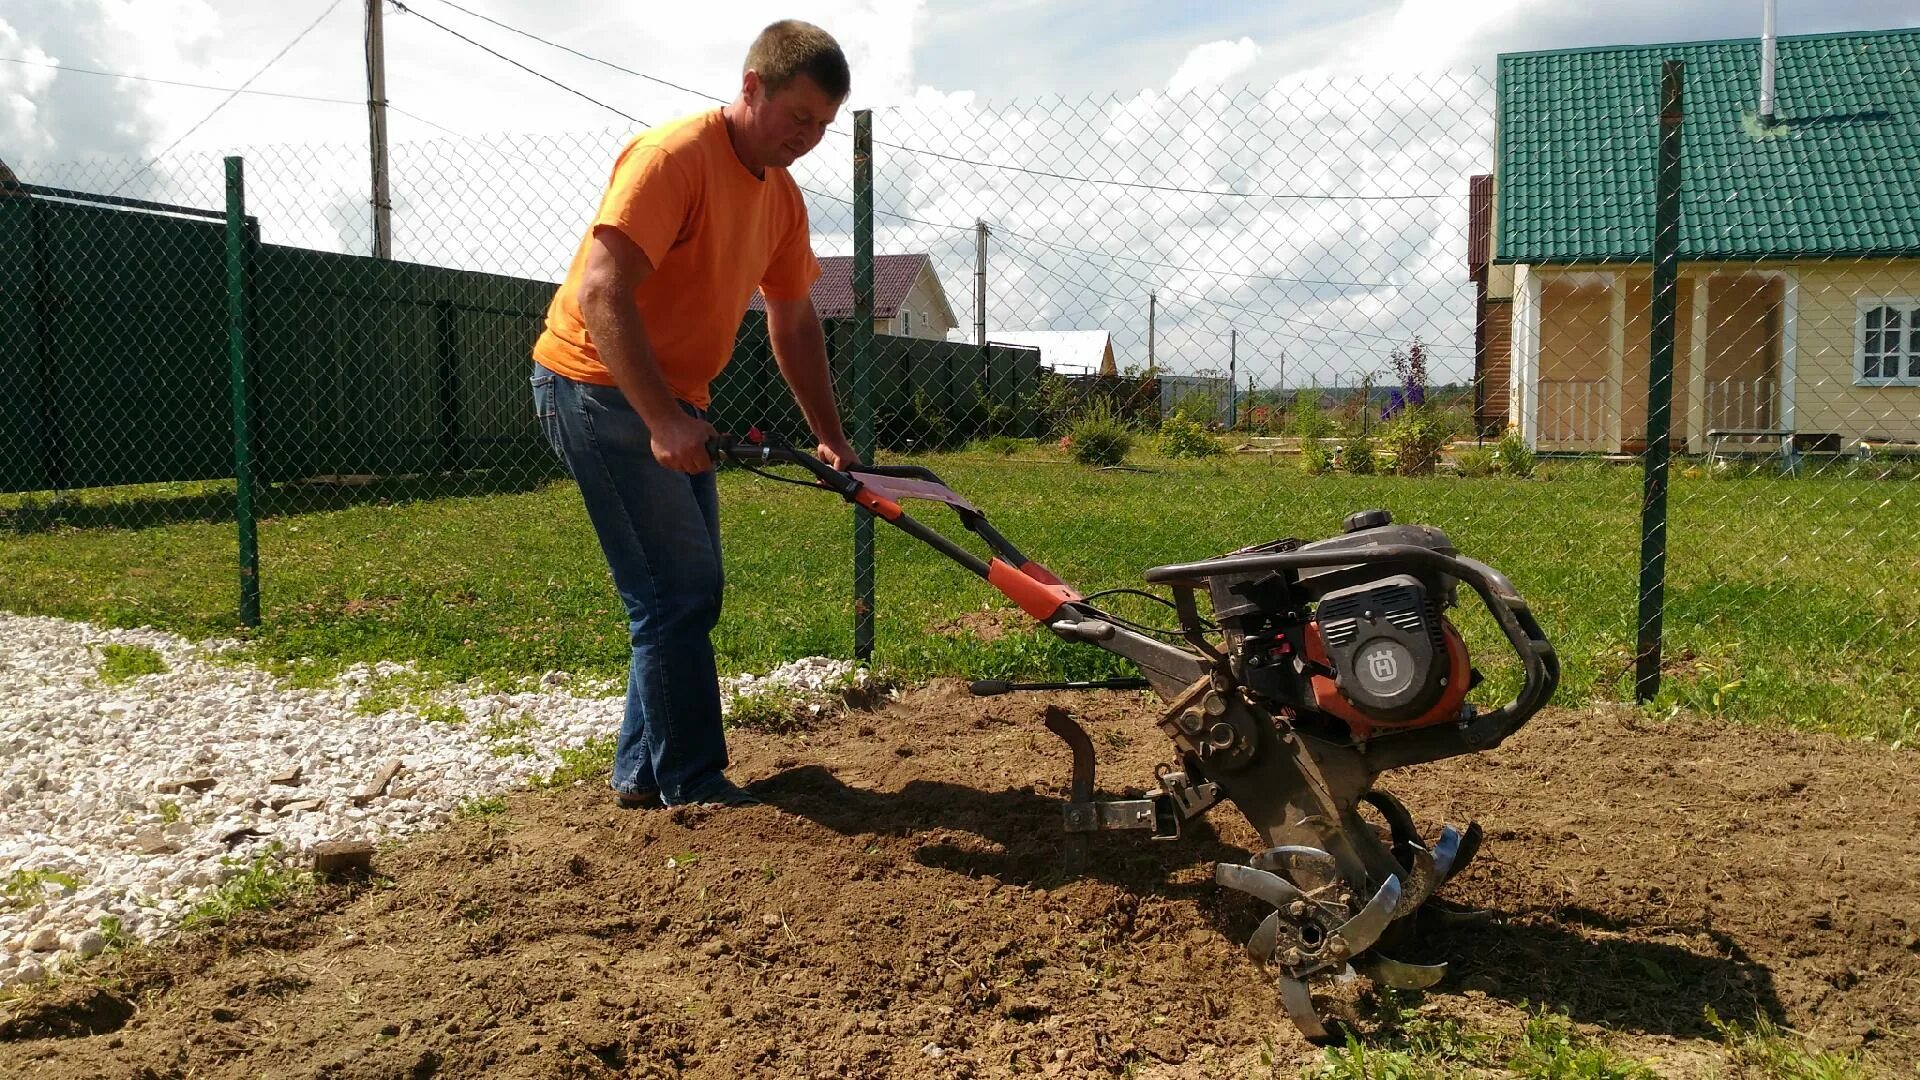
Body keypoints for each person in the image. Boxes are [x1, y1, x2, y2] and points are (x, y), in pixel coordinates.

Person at [529, 20, 857, 809]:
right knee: (673, 591)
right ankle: (692, 779)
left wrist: (833, 437)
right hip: (596, 383)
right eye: (797, 118)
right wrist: (662, 421)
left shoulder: (780, 198)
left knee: (684, 590)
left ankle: (645, 774)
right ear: (751, 89)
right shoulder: (672, 159)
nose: (808, 139)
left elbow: (794, 321)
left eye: (823, 126)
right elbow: (602, 293)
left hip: (675, 399)